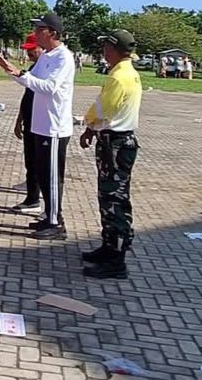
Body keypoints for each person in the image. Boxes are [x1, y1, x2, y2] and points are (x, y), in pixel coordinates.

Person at [0, 12, 74, 240]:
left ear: (53, 33)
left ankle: (56, 222)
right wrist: (11, 70)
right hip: (40, 125)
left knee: (51, 177)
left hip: (53, 127)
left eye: (41, 29)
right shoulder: (46, 56)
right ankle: (49, 216)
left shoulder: (62, 57)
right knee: (41, 172)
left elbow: (48, 87)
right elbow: (30, 80)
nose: (37, 33)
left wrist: (19, 73)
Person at [79, 29, 143, 280]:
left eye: (106, 46)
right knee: (109, 196)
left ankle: (116, 259)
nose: (103, 51)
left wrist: (87, 125)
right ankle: (109, 247)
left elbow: (104, 108)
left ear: (115, 49)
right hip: (115, 141)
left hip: (115, 142)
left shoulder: (120, 77)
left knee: (113, 198)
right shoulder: (125, 72)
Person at [10, 34, 44, 214]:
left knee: (38, 163)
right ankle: (31, 198)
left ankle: (36, 199)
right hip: (30, 120)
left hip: (40, 122)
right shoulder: (33, 68)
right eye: (27, 50)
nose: (29, 53)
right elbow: (27, 96)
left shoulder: (45, 70)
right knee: (30, 161)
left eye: (32, 49)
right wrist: (19, 119)